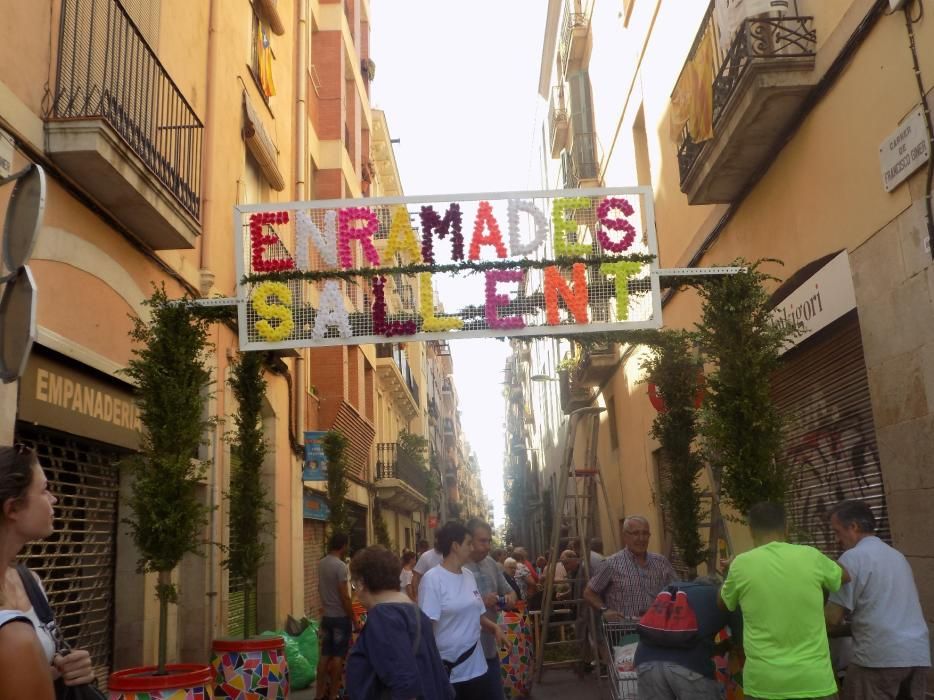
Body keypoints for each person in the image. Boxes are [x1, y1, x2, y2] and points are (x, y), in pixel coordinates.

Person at [719, 502, 849, 700]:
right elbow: (845, 576)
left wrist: (730, 572)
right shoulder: (811, 556)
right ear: (786, 527)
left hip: (765, 684)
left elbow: (723, 603)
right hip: (814, 681)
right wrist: (822, 562)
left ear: (751, 530)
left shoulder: (741, 564)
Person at [0, 444, 95, 689]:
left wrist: (64, 670)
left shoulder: (29, 582)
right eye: (44, 490)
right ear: (12, 508)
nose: (54, 498)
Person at [824, 500, 930, 700]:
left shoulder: (852, 558)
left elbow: (832, 618)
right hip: (916, 655)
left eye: (837, 532)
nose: (837, 539)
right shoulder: (896, 556)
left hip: (877, 658)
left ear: (853, 527)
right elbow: (884, 614)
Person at [345, 546, 454, 700]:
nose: (355, 591)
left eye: (354, 585)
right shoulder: (413, 610)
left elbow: (404, 683)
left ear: (362, 583)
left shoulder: (383, 617)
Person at [418, 521, 507, 700]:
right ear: (455, 546)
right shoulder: (432, 580)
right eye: (468, 543)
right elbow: (426, 628)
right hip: (449, 673)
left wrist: (494, 628)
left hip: (477, 667)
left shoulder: (468, 576)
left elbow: (476, 614)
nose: (472, 547)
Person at [635, 576, 741, 700]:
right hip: (690, 667)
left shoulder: (673, 589)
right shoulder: (724, 597)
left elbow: (676, 637)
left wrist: (717, 648)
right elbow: (741, 640)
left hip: (646, 663)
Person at [584, 515, 676, 619]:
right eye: (636, 533)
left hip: (655, 629)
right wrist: (605, 610)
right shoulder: (610, 564)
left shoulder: (661, 562)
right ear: (625, 536)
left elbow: (676, 590)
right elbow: (589, 593)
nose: (641, 539)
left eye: (645, 533)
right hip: (624, 631)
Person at [463, 518, 514, 699]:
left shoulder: (491, 564)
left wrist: (506, 599)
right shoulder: (458, 567)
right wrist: (482, 602)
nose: (487, 546)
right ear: (469, 540)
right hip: (466, 654)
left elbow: (511, 594)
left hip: (490, 649)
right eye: (482, 541)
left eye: (489, 541)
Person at [316, 531, 353, 700]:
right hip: (339, 617)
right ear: (343, 545)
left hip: (327, 617)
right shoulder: (340, 566)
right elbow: (344, 595)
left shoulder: (321, 563)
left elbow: (320, 588)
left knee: (324, 656)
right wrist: (352, 617)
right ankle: (332, 695)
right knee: (338, 656)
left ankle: (318, 694)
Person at [413, 535, 444, 599]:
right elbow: (416, 577)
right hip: (428, 595)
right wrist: (417, 595)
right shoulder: (426, 556)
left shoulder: (450, 556)